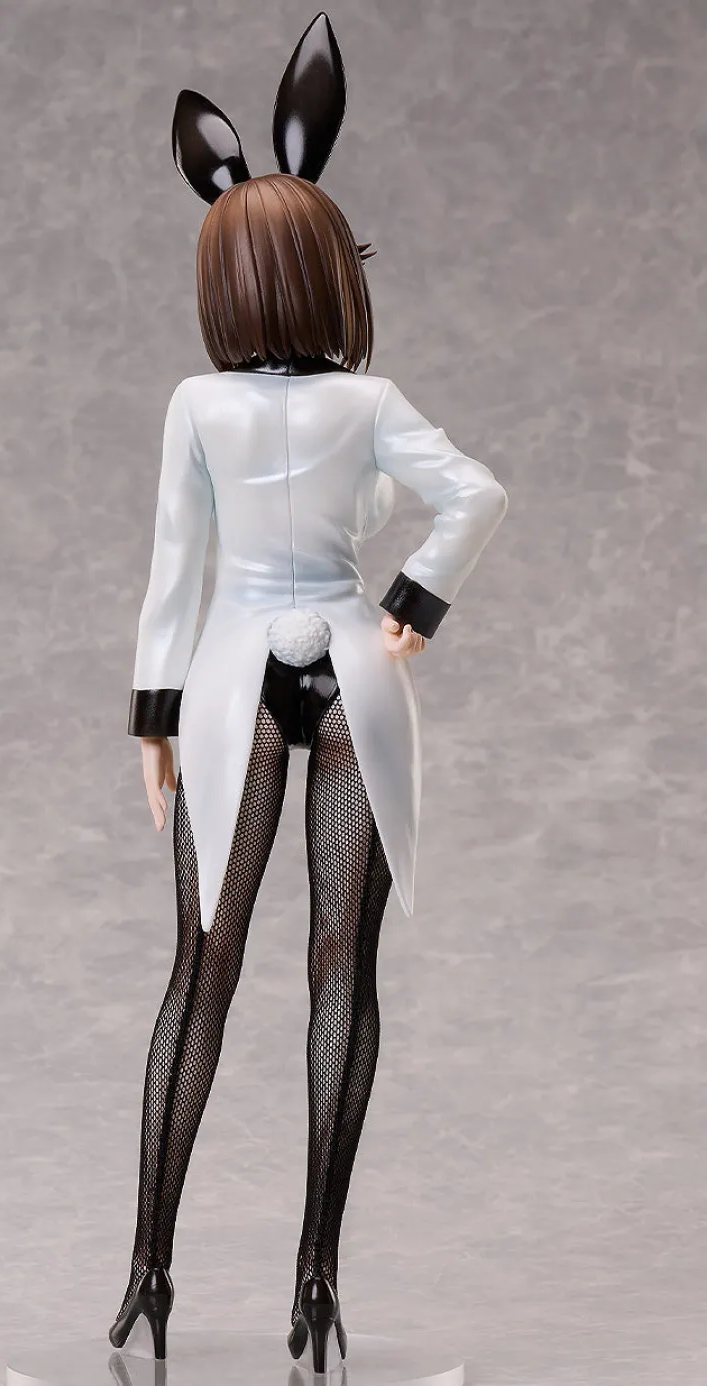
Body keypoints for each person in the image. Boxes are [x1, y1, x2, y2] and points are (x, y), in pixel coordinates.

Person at [108, 12, 509, 1373]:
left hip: (233, 675)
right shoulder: (369, 400)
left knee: (198, 973)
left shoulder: (198, 405)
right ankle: (315, 1282)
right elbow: (475, 493)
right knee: (344, 969)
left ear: (223, 274)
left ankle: (149, 1267)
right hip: (351, 671)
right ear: (333, 270)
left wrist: (154, 716)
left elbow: (175, 571)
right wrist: (415, 598)